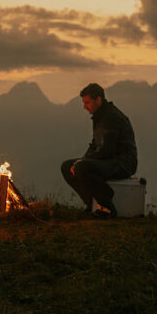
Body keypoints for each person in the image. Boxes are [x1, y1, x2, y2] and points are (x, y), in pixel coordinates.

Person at [60, 83, 137, 218]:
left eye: (87, 102)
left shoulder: (112, 118)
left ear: (98, 100)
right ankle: (92, 204)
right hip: (109, 159)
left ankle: (107, 206)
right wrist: (82, 161)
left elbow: (106, 151)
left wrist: (82, 164)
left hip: (123, 163)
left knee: (81, 168)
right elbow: (95, 145)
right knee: (67, 167)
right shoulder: (100, 116)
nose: (85, 107)